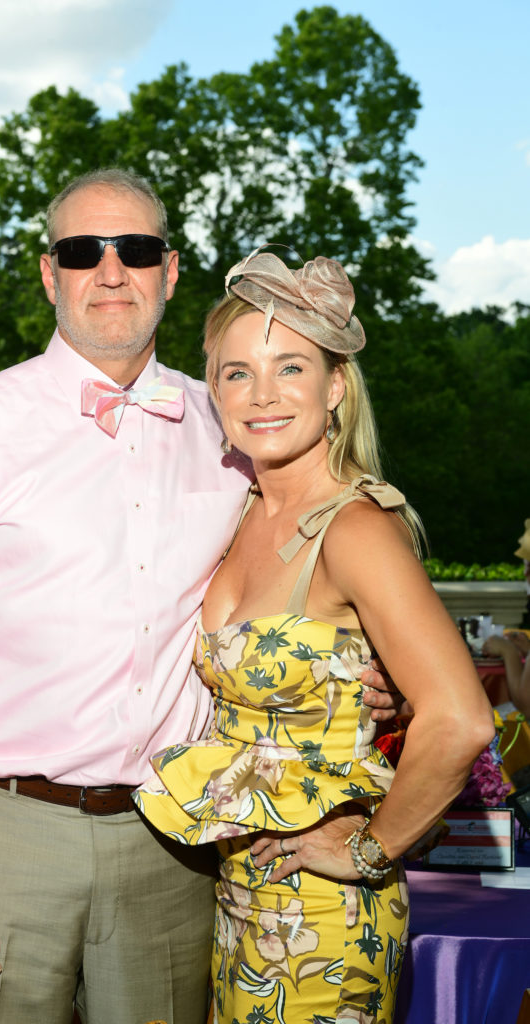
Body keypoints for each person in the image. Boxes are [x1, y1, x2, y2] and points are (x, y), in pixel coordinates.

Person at [0, 170, 399, 1024]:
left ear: (170, 271)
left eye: (135, 250)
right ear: (51, 275)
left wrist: (361, 665)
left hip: (174, 845)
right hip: (3, 837)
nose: (110, 271)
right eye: (83, 251)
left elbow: (303, 568)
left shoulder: (231, 426)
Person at [134, 247, 494, 1022]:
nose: (261, 394)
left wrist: (370, 848)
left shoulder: (354, 527)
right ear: (213, 391)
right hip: (238, 890)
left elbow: (461, 718)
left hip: (325, 914)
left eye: (289, 368)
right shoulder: (239, 513)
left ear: (335, 387)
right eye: (236, 373)